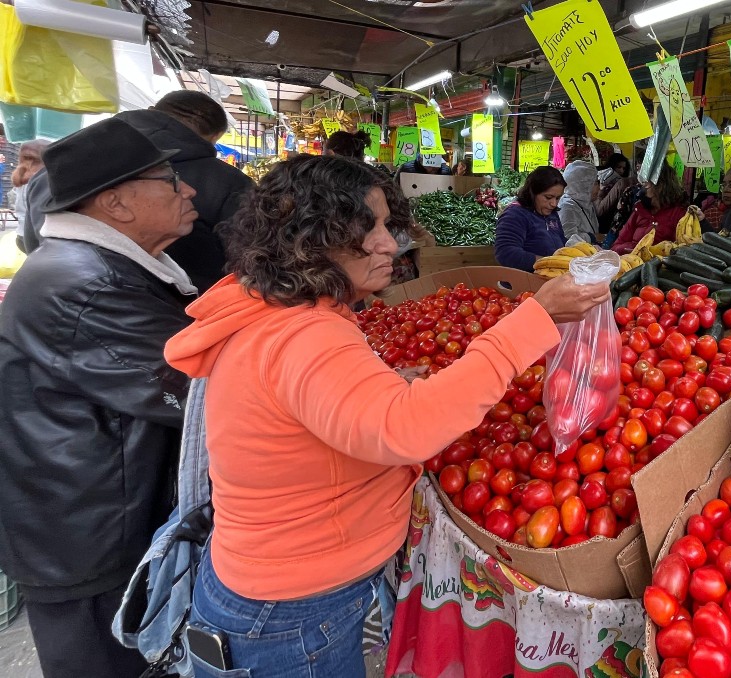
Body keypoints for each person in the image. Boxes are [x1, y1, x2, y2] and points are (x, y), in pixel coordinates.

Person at [160, 155, 608, 676]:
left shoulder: (272, 308)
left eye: (385, 226)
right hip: (295, 609)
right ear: (311, 237)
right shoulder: (303, 334)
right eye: (365, 229)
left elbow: (306, 407)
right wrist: (535, 318)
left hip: (276, 590)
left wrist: (385, 387)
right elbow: (409, 429)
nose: (390, 245)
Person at [0, 119, 197, 678]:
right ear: (117, 204)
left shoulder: (95, 267)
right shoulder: (87, 285)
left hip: (92, 513)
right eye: (171, 179)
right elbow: (193, 387)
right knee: (105, 662)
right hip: (89, 532)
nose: (189, 190)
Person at [21, 91, 254, 293]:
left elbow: (35, 246)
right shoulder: (224, 180)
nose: (188, 191)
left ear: (152, 110)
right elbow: (257, 260)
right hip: (192, 319)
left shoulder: (52, 171)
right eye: (169, 180)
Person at [494, 166, 568, 271]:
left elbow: (561, 242)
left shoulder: (551, 214)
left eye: (557, 198)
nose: (554, 203)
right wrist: (547, 263)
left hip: (551, 281)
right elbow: (505, 253)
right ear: (532, 193)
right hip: (522, 283)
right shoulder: (515, 215)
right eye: (548, 197)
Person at [611, 167, 693, 253]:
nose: (642, 189)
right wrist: (630, 248)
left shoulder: (679, 215)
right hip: (631, 262)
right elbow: (616, 245)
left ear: (660, 186)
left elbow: (683, 250)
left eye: (646, 184)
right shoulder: (639, 210)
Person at [9, 139, 48, 249]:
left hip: (21, 235)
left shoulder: (20, 177)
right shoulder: (42, 181)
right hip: (35, 240)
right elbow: (40, 221)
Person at [557, 160, 601, 243]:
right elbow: (568, 239)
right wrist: (592, 237)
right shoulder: (568, 207)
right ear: (583, 185)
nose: (599, 188)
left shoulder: (586, 203)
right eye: (595, 183)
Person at [595, 152, 634, 229]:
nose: (621, 171)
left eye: (623, 168)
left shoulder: (622, 184)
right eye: (618, 167)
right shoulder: (602, 180)